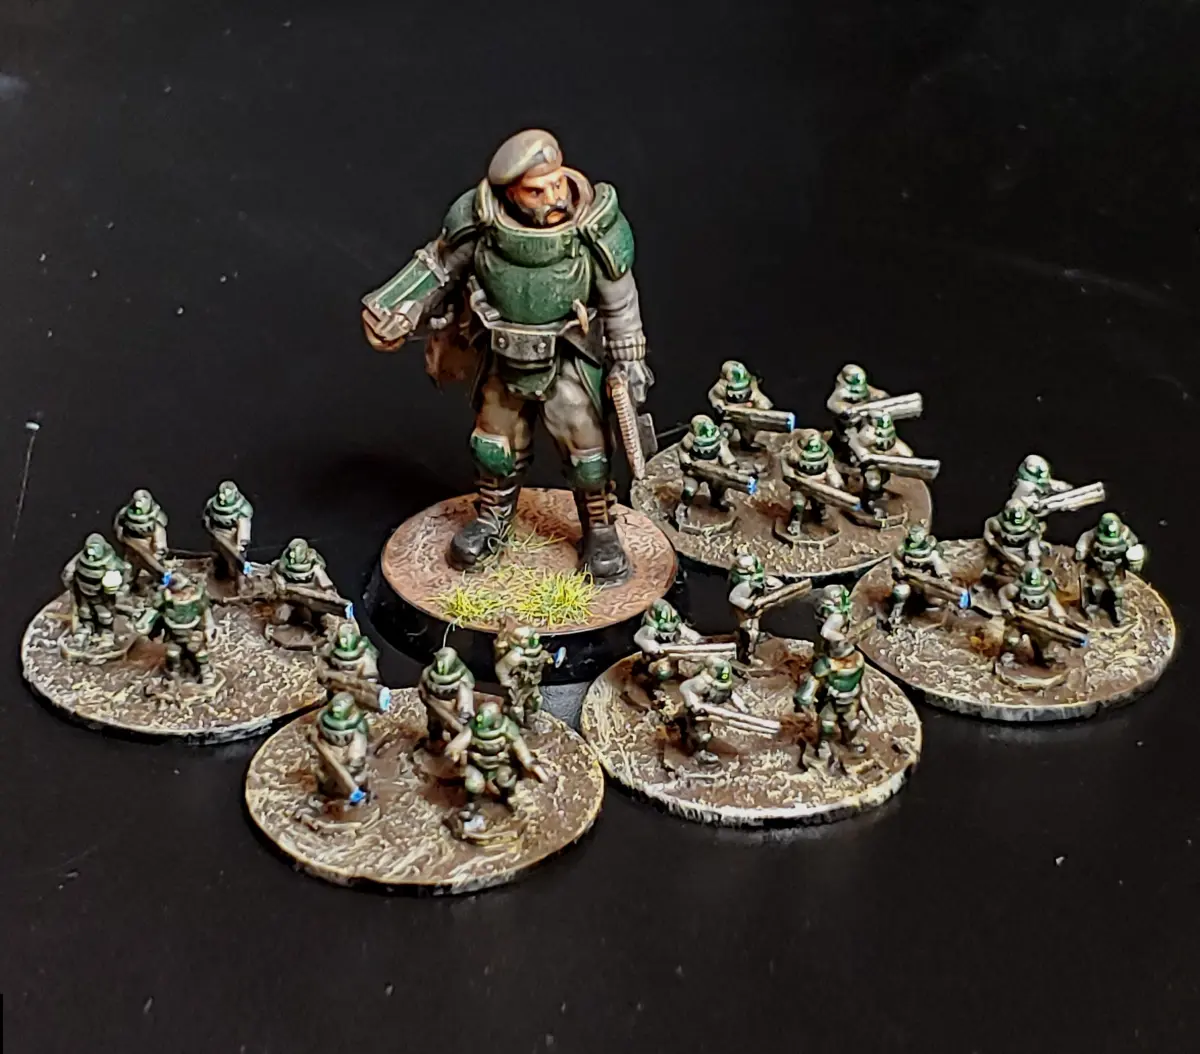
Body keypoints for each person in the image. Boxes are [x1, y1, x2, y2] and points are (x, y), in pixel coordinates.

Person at [362, 129, 653, 582]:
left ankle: (599, 529)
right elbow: (438, 268)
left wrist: (629, 358)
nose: (554, 197)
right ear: (510, 193)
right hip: (501, 356)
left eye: (557, 183)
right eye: (537, 191)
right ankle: (492, 521)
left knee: (588, 454)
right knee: (494, 448)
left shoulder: (593, 228)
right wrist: (399, 309)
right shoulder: (481, 226)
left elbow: (620, 300)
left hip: (568, 358)